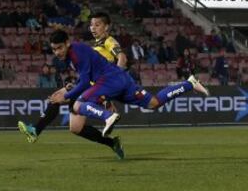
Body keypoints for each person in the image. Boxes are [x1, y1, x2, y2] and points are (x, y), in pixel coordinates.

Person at [46, 30, 209, 151]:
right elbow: (85, 81)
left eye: (59, 48)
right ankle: (190, 83)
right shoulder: (71, 55)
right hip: (120, 79)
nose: (57, 52)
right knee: (154, 103)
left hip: (109, 81)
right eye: (54, 49)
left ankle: (108, 117)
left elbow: (84, 84)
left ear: (67, 42)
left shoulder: (77, 53)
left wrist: (66, 96)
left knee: (77, 105)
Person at [18, 12, 128, 160]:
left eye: (97, 25)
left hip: (95, 88)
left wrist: (115, 81)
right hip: (88, 85)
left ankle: (35, 131)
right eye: (91, 25)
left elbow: (122, 57)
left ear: (106, 27)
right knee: (75, 128)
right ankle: (112, 143)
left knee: (59, 97)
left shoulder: (109, 41)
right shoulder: (93, 47)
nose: (93, 28)